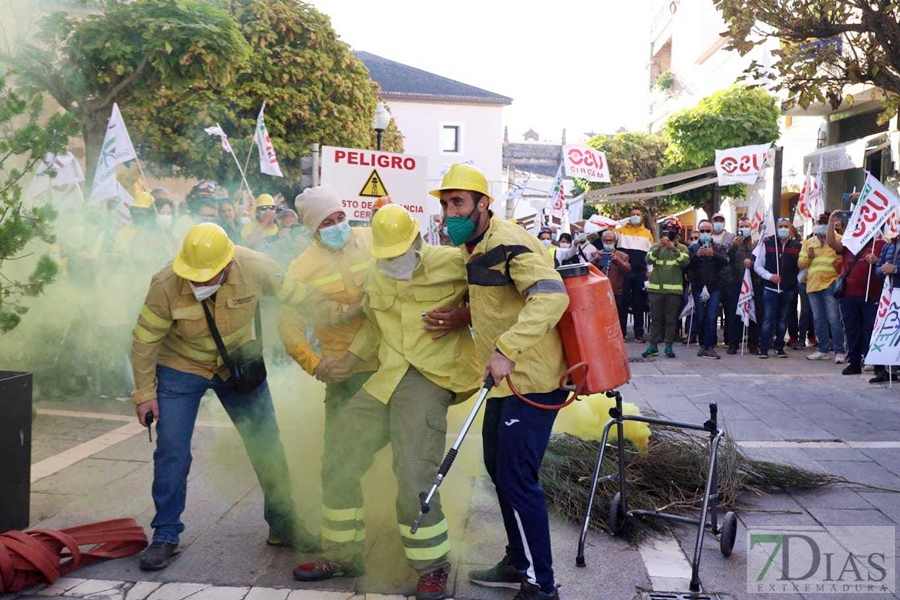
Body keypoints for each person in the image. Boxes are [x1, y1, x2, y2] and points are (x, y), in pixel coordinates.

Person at [132, 223, 346, 571]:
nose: (198, 283)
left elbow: (300, 294)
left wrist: (342, 314)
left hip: (237, 364)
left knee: (267, 446)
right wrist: (144, 394)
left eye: (207, 276)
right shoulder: (165, 283)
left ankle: (283, 526)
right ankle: (165, 535)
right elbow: (144, 342)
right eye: (193, 276)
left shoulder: (255, 266)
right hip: (180, 367)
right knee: (172, 450)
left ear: (228, 265)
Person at [292, 205, 481, 600]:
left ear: (417, 240)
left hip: (429, 376)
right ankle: (343, 554)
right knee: (339, 456)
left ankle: (432, 568)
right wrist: (350, 360)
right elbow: (376, 327)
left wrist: (464, 314)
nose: (392, 261)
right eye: (386, 254)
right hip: (386, 374)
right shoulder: (378, 273)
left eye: (399, 252)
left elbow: (496, 301)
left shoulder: (453, 263)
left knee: (413, 474)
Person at [435, 163, 569, 600]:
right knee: (498, 470)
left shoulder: (509, 241)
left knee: (516, 479)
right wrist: (463, 315)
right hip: (502, 382)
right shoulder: (474, 248)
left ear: (482, 204)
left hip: (529, 380)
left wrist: (507, 349)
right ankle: (518, 559)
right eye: (445, 203)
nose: (449, 212)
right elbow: (499, 302)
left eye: (457, 202)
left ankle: (541, 585)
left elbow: (552, 296)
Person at [279, 186, 376, 524]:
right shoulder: (301, 268)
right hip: (344, 376)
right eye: (326, 222)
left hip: (391, 366)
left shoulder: (374, 240)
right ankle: (343, 546)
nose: (337, 226)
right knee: (338, 463)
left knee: (405, 459)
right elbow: (288, 326)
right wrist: (316, 365)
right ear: (312, 229)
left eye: (340, 217)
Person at [826, 212, 884, 375]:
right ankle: (854, 362)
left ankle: (876, 363)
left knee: (870, 329)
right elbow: (831, 242)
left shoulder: (879, 244)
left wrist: (877, 260)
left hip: (871, 294)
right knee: (852, 329)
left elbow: (886, 263)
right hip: (849, 295)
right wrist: (831, 222)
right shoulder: (849, 243)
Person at [799, 212, 845, 362]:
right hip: (813, 284)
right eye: (820, 223)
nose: (822, 226)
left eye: (826, 223)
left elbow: (843, 259)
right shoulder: (808, 242)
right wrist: (809, 257)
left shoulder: (838, 239)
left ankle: (839, 351)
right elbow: (800, 263)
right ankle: (822, 349)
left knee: (834, 319)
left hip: (831, 283)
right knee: (818, 319)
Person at [754, 217, 802, 358]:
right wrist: (769, 276)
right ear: (776, 228)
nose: (783, 229)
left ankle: (779, 347)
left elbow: (802, 268)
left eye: (786, 226)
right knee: (768, 319)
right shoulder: (767, 244)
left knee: (783, 320)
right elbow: (758, 265)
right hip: (770, 289)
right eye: (780, 226)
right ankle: (763, 348)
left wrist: (795, 280)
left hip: (788, 289)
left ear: (791, 229)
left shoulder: (797, 246)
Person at [643, 217, 690, 359]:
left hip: (673, 291)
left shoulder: (682, 248)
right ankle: (653, 346)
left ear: (677, 232)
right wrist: (659, 248)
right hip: (656, 290)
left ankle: (669, 346)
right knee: (655, 319)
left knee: (671, 320)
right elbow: (648, 259)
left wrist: (673, 249)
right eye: (667, 229)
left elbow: (685, 262)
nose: (669, 232)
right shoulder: (656, 246)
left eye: (672, 230)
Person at [688, 220, 729, 359]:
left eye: (708, 231)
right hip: (698, 287)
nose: (705, 233)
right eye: (702, 231)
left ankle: (710, 346)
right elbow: (686, 266)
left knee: (712, 316)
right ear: (699, 232)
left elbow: (726, 261)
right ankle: (702, 345)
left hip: (714, 288)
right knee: (700, 316)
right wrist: (696, 256)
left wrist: (714, 254)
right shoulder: (693, 248)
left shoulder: (718, 247)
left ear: (711, 232)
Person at [617, 206, 654, 343]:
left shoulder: (647, 233)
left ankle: (639, 333)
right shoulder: (620, 230)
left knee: (639, 303)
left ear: (642, 216)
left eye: (637, 214)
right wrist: (618, 222)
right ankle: (622, 332)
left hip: (639, 273)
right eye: (633, 214)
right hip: (624, 272)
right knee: (623, 303)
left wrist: (650, 273)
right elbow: (610, 235)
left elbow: (650, 255)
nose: (635, 216)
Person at [726, 216, 761, 354]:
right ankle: (733, 343)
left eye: (747, 226)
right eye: (742, 226)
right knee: (735, 315)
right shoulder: (734, 243)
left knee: (754, 314)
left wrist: (752, 262)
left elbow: (760, 260)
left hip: (755, 283)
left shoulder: (756, 244)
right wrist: (734, 247)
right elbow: (728, 259)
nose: (744, 228)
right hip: (737, 283)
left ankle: (753, 344)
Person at [593, 229, 631, 336]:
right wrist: (596, 260)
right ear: (602, 240)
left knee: (618, 313)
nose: (608, 243)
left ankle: (620, 334)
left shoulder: (622, 255)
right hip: (600, 290)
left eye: (611, 240)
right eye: (606, 240)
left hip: (617, 289)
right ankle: (602, 334)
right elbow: (589, 270)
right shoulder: (597, 254)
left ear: (615, 241)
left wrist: (617, 260)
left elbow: (627, 269)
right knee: (601, 314)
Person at [873, 236, 900, 383]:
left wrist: (895, 269)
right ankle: (889, 371)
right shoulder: (889, 245)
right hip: (888, 294)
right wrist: (882, 270)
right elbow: (879, 266)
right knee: (889, 331)